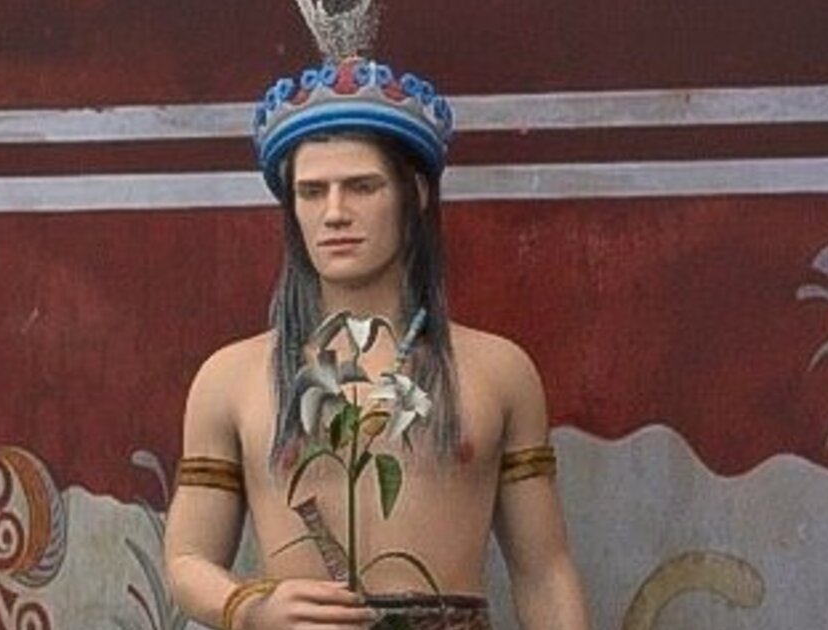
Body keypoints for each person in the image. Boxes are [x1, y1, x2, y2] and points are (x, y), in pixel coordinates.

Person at [165, 4, 589, 629]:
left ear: (414, 193)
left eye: (362, 187)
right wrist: (250, 607)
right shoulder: (231, 378)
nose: (335, 213)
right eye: (312, 191)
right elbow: (187, 558)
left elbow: (544, 571)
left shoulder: (499, 372)